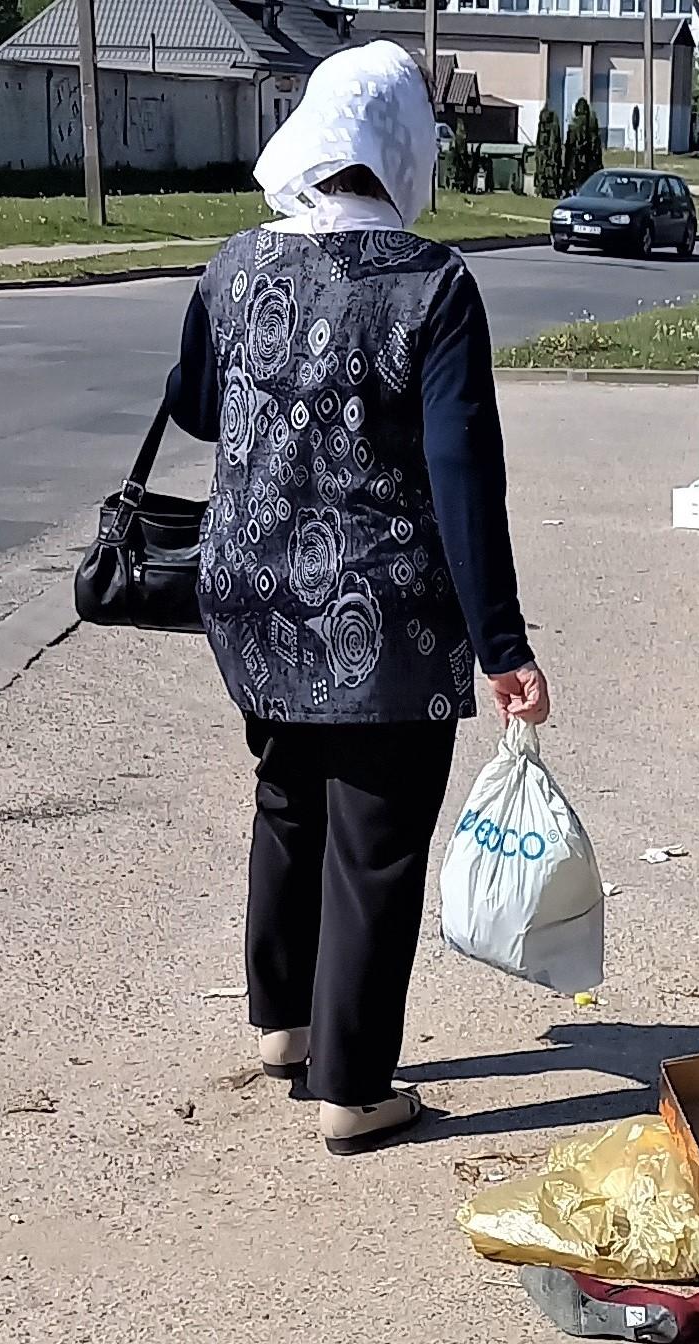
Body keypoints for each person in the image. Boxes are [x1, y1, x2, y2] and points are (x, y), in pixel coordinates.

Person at [163, 41, 549, 1155]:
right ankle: (354, 1087)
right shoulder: (432, 284)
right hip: (380, 614)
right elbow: (463, 473)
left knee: (287, 799)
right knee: (374, 842)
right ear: (401, 151)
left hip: (245, 596)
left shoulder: (234, 265)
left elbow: (194, 403)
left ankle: (284, 1024)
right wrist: (503, 645)